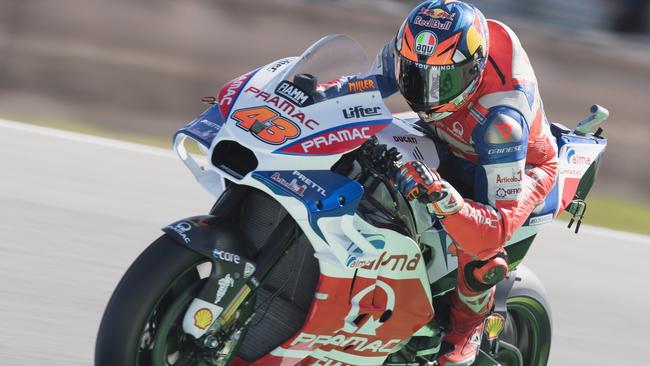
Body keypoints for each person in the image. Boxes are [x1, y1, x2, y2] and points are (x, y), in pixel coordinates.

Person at [366, 1, 559, 365]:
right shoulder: (412, 51)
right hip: (446, 135)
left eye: (442, 81)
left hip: (515, 162)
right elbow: (360, 89)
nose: (425, 90)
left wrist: (443, 196)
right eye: (415, 75)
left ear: (472, 69)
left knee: (483, 255)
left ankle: (464, 331)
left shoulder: (503, 121)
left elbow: (493, 229)